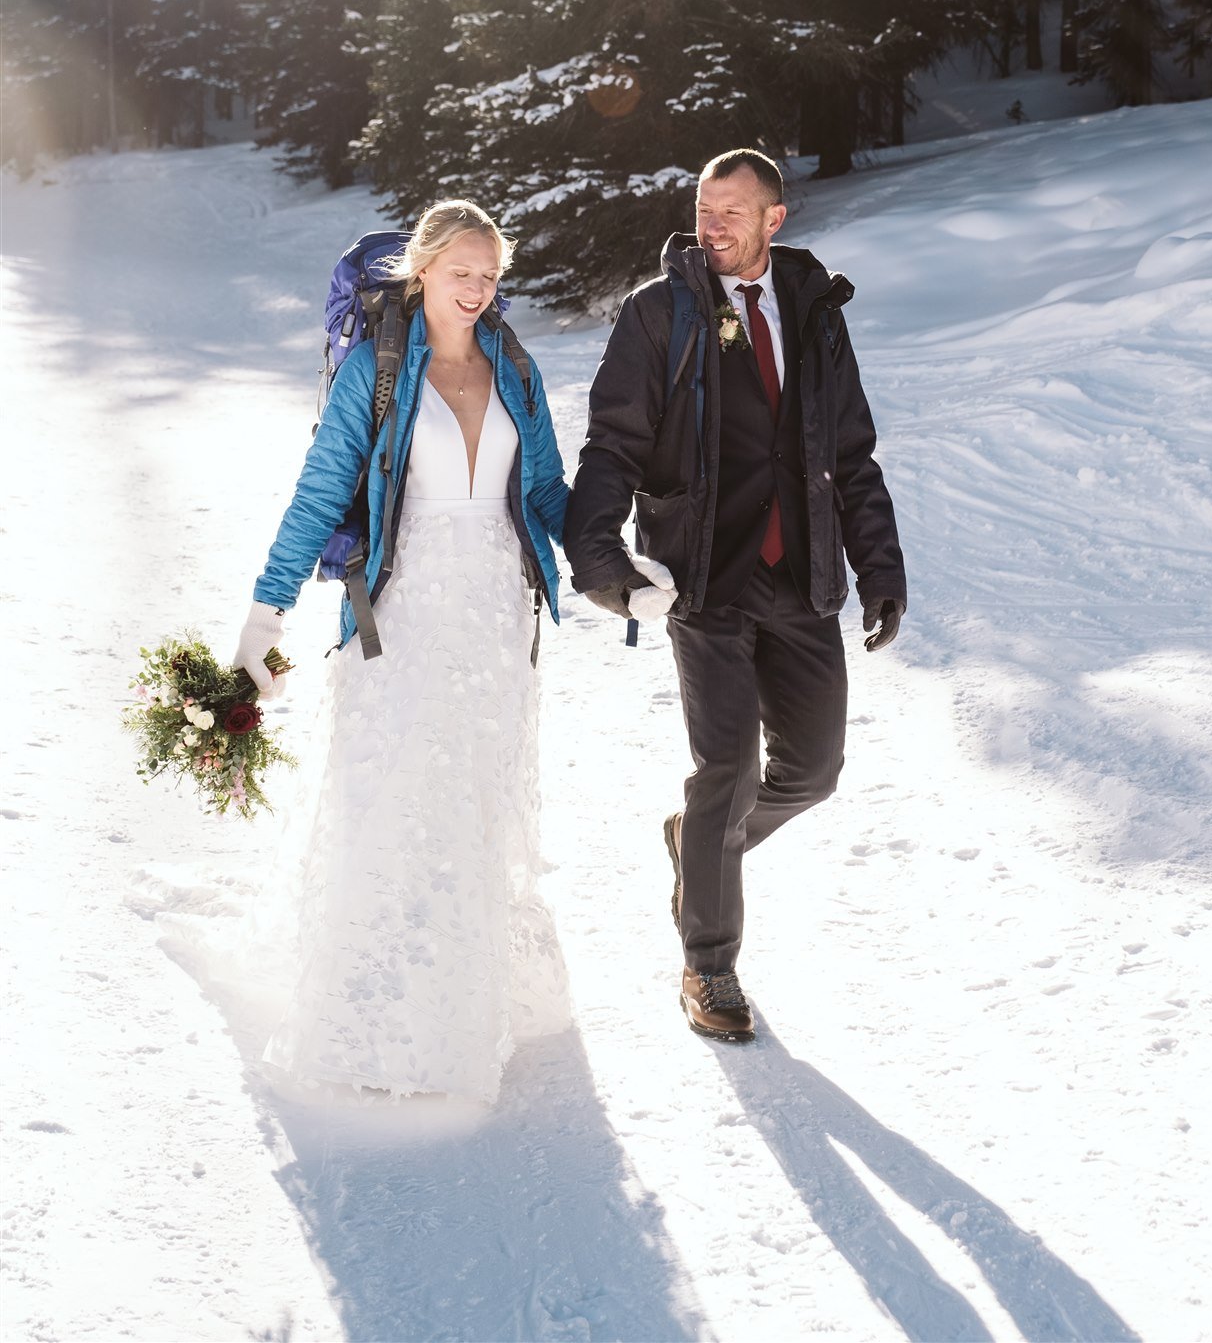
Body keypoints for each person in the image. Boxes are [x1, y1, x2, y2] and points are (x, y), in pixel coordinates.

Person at [232, 199, 571, 1103]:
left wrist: (618, 572)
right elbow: (319, 492)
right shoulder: (377, 372)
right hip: (403, 607)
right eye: (462, 271)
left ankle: (467, 998)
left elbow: (546, 489)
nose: (478, 290)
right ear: (421, 268)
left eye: (491, 276)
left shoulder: (513, 364)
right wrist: (264, 617)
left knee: (472, 797)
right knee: (389, 792)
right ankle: (370, 1010)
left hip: (496, 611)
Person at [564, 149, 905, 1043]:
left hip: (800, 577)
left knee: (813, 771)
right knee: (728, 773)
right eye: (703, 209)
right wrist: (598, 553)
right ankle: (707, 969)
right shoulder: (658, 310)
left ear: (773, 221)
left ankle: (699, 844)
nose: (711, 226)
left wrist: (881, 569)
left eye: (730, 212)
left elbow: (853, 455)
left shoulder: (815, 310)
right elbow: (612, 444)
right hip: (701, 580)